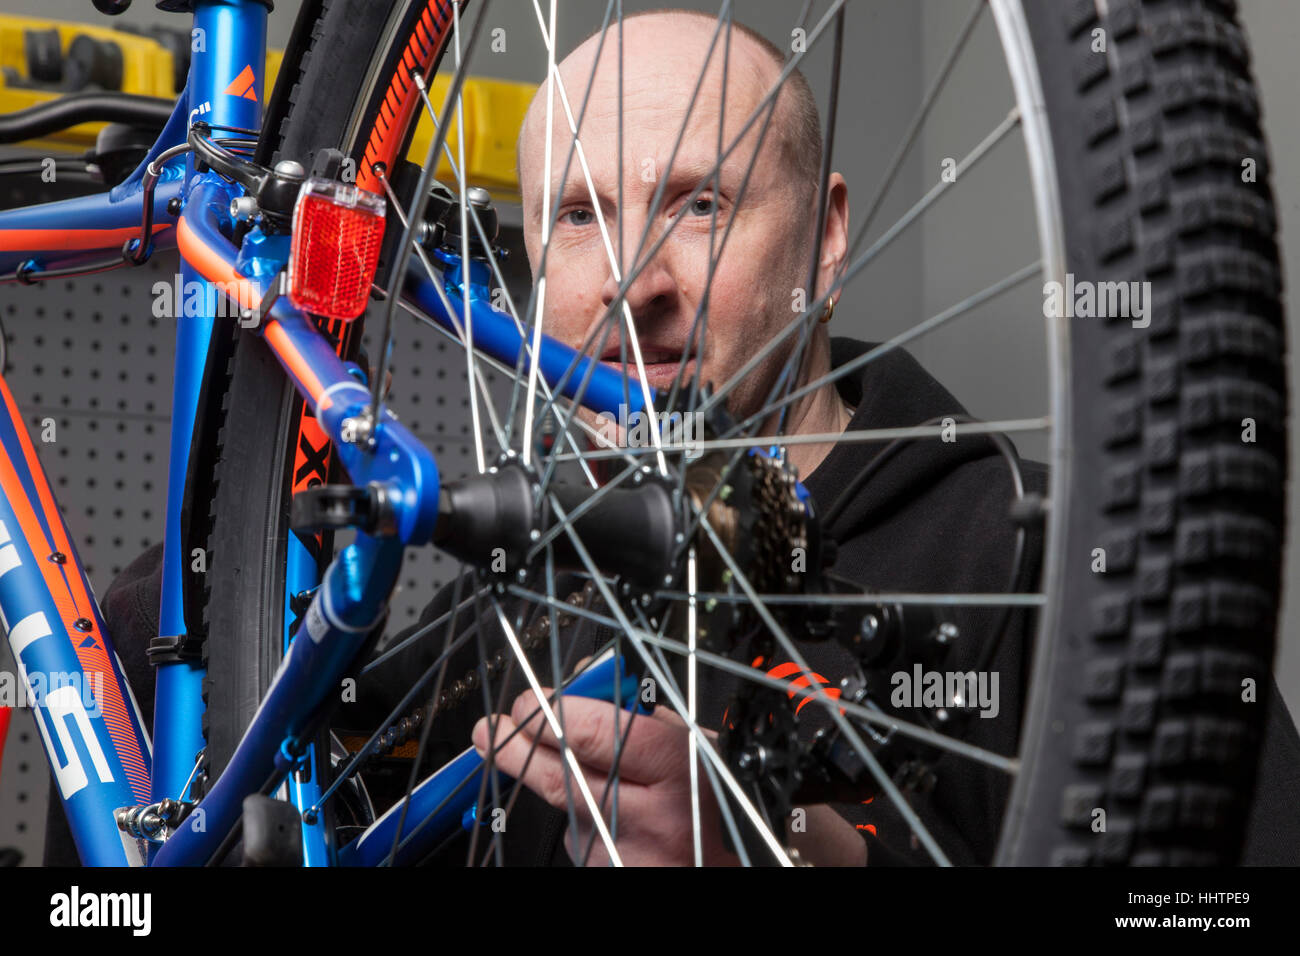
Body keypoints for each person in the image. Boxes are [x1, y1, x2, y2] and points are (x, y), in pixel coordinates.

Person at [47, 9, 1299, 867]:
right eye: (579, 217)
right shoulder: (507, 614)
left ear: (824, 238)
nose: (634, 275)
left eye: (700, 202)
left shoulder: (1053, 567)